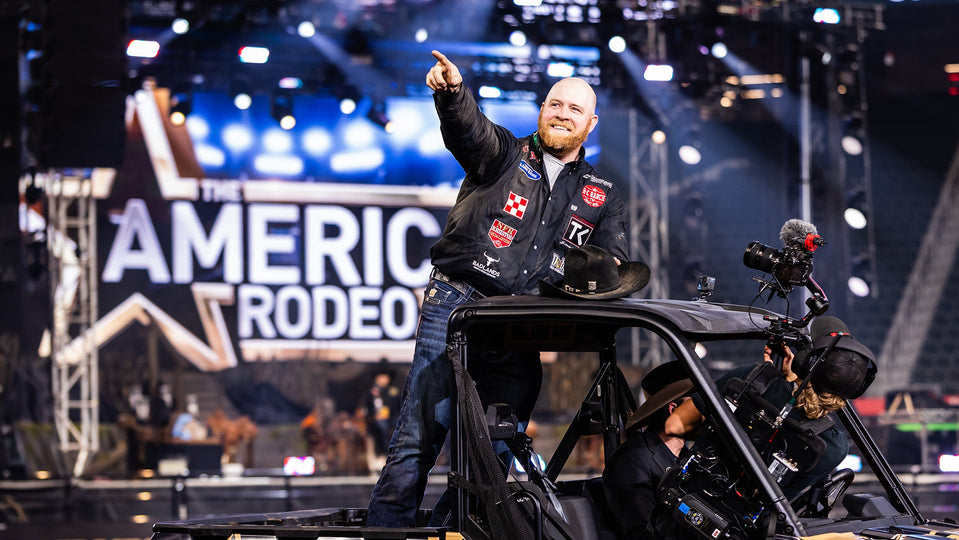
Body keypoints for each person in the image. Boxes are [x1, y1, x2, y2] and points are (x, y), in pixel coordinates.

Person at [367, 49, 637, 528]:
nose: (562, 113)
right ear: (541, 110)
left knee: (494, 451)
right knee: (417, 437)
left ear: (590, 124)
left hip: (519, 324)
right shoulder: (504, 154)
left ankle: (447, 534)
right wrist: (452, 95)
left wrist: (603, 273)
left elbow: (611, 262)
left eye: (574, 109)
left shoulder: (603, 194)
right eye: (555, 104)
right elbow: (468, 129)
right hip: (457, 304)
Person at [663, 316, 877, 500]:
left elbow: (674, 425)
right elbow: (782, 499)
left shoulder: (751, 377)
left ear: (805, 360)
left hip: (685, 499)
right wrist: (789, 380)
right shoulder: (834, 447)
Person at [602, 361, 693, 539]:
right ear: (674, 409)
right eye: (696, 405)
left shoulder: (688, 457)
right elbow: (643, 532)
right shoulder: (631, 460)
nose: (705, 412)